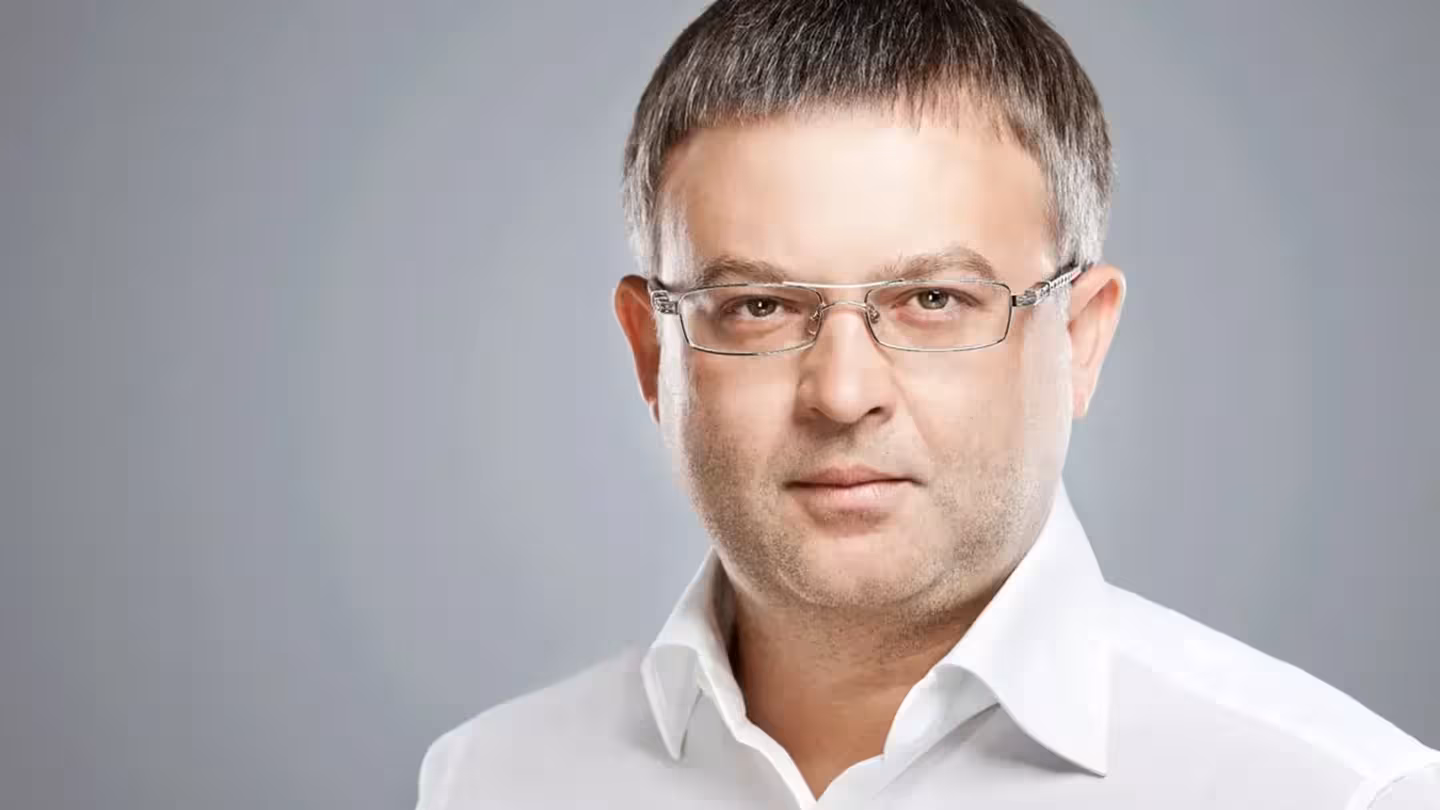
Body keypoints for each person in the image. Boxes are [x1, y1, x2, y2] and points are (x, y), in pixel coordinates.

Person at [414, 1, 1440, 807]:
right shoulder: (489, 783)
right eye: (760, 306)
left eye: (934, 300)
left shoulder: (1339, 796)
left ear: (1079, 340)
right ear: (653, 353)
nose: (843, 393)